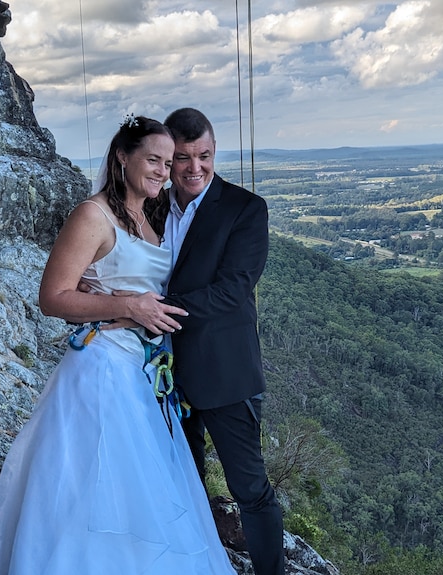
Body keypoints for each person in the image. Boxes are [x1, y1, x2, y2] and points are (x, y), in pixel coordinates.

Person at [0, 116, 237, 574]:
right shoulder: (91, 215)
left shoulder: (149, 214)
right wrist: (130, 307)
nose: (162, 170)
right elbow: (52, 297)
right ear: (123, 157)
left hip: (140, 369)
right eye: (152, 160)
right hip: (100, 369)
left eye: (168, 161)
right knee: (96, 484)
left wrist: (135, 310)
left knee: (136, 488)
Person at [161, 108, 286, 575]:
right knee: (184, 480)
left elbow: (234, 288)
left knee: (249, 489)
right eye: (184, 158)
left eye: (205, 156)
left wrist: (158, 309)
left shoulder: (245, 209)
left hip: (224, 372)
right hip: (161, 374)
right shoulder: (153, 205)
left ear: (215, 153)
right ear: (167, 159)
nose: (195, 168)